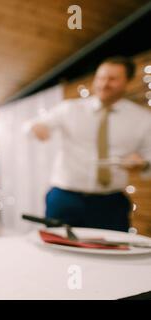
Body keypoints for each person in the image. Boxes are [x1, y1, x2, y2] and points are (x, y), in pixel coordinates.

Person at [28, 56, 151, 232]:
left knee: (111, 255)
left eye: (113, 79)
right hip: (64, 197)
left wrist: (143, 163)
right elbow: (31, 126)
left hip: (111, 203)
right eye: (101, 78)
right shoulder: (69, 109)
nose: (104, 84)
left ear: (128, 82)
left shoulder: (143, 119)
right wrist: (36, 127)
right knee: (56, 252)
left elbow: (149, 156)